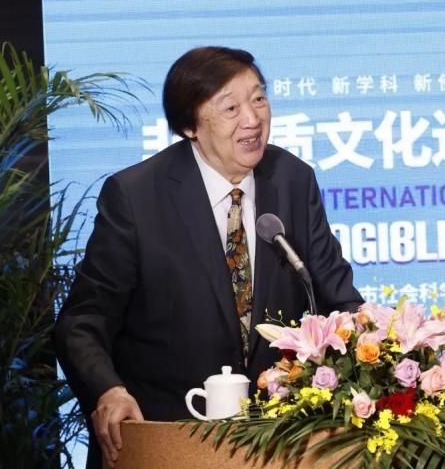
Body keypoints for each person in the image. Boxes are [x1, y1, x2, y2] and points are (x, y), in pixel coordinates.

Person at [53, 46, 364, 469]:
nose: (252, 119)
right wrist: (108, 392)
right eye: (231, 108)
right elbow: (82, 323)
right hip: (167, 440)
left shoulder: (292, 179)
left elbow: (338, 298)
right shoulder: (137, 196)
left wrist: (380, 355)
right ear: (190, 125)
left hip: (279, 444)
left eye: (259, 98)